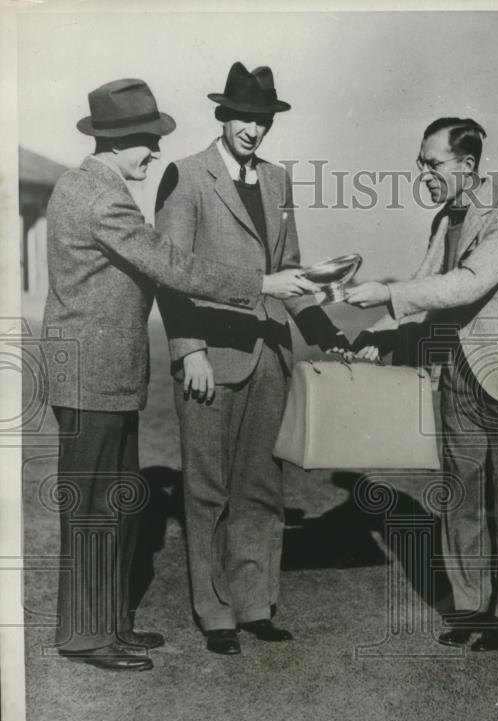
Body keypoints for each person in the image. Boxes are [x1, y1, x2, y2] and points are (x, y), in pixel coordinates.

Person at [42, 78, 317, 672]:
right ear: (119, 143)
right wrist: (260, 285)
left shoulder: (89, 184)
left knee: (113, 504)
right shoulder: (101, 197)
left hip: (104, 374)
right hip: (93, 373)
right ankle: (87, 636)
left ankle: (109, 626)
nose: (155, 153)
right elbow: (169, 263)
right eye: (147, 142)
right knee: (95, 507)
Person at [155, 62, 350, 656]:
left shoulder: (278, 180)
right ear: (224, 115)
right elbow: (170, 274)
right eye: (243, 117)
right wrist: (189, 352)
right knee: (208, 490)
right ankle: (215, 613)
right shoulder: (185, 177)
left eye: (262, 120)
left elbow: (292, 273)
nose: (253, 129)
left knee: (264, 489)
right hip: (210, 359)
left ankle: (255, 605)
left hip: (269, 360)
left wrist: (329, 335)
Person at [346, 117, 498, 651]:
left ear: (467, 165)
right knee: (460, 495)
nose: (423, 174)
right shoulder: (446, 219)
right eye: (420, 163)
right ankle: (468, 605)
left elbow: (468, 284)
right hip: (456, 375)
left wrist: (388, 294)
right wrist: (375, 336)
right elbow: (427, 279)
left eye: (432, 163)